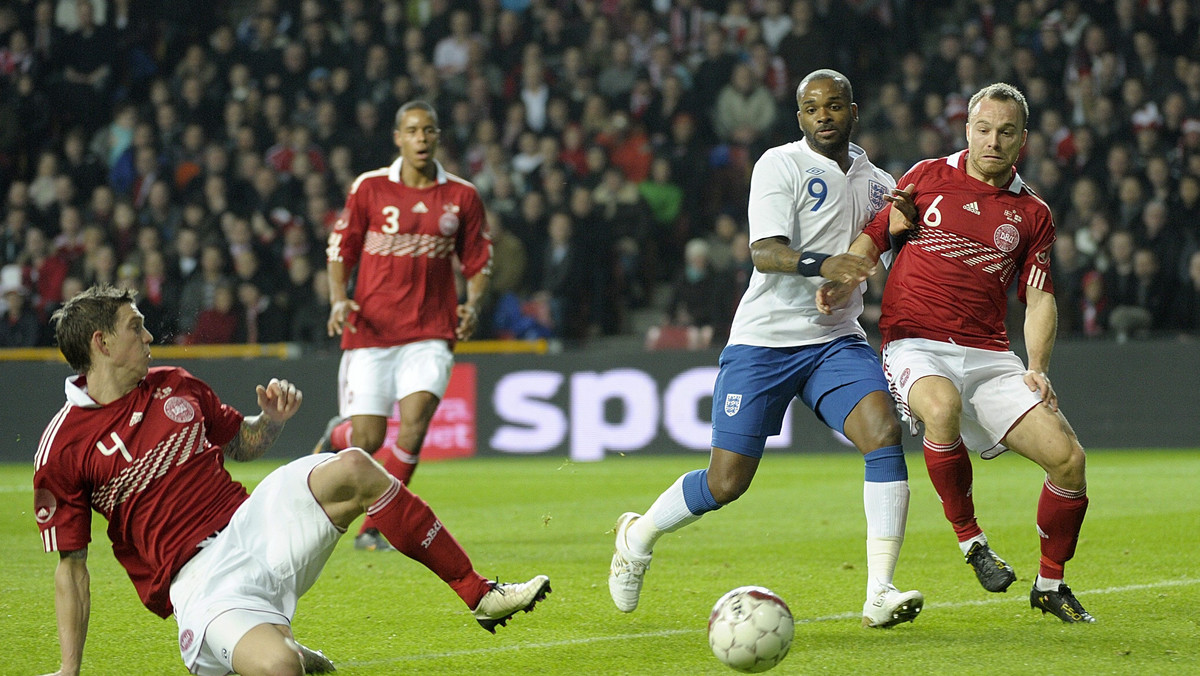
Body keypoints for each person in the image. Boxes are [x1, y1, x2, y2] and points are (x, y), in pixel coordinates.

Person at [33, 286, 550, 676]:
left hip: (254, 520)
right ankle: (276, 647)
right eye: (135, 327)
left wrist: (270, 422)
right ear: (101, 343)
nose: (148, 336)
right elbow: (71, 567)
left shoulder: (175, 383)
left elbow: (241, 445)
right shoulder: (62, 446)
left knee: (354, 466)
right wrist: (69, 669)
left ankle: (479, 593)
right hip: (198, 580)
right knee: (281, 668)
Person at [609, 70, 925, 629]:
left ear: (854, 111)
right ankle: (638, 535)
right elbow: (764, 252)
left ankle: (879, 590)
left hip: (833, 342)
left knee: (882, 433)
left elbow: (883, 255)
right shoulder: (779, 164)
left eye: (832, 106)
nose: (822, 115)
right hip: (765, 341)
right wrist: (827, 266)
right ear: (798, 117)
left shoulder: (881, 183)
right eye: (810, 108)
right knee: (726, 482)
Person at [817, 82, 1095, 623]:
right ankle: (973, 543)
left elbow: (1039, 298)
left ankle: (1050, 583)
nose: (993, 140)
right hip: (915, 343)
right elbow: (875, 237)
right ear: (967, 129)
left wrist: (1037, 368)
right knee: (940, 408)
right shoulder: (924, 177)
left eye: (1006, 132)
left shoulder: (1032, 213)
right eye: (984, 128)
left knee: (1069, 460)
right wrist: (845, 275)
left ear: (1023, 140)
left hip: (990, 355)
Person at [323, 100, 492, 551]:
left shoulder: (462, 196)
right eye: (413, 131)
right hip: (372, 331)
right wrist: (339, 299)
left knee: (414, 425)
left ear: (438, 137)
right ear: (398, 137)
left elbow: (478, 261)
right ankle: (335, 435)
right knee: (366, 440)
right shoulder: (369, 188)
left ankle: (375, 525)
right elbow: (341, 250)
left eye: (429, 130)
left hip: (431, 331)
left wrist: (472, 303)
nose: (422, 138)